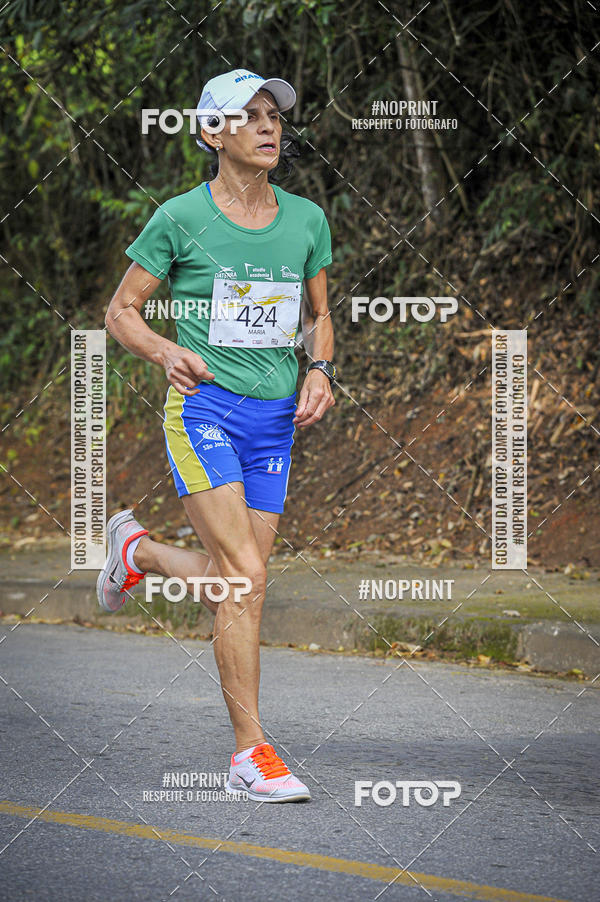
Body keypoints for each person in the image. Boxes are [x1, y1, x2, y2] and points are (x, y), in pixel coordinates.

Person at [96, 68, 337, 803]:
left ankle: (137, 551)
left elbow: (317, 315)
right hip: (203, 411)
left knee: (237, 588)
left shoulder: (306, 220)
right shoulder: (179, 218)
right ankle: (250, 754)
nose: (270, 127)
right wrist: (165, 350)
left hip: (273, 423)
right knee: (245, 581)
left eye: (276, 116)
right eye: (250, 116)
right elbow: (121, 311)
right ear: (211, 132)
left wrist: (321, 368)